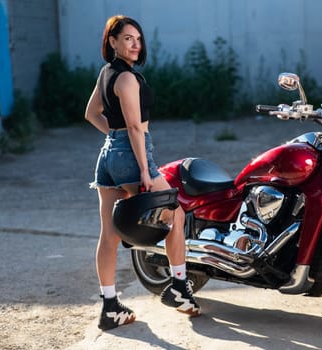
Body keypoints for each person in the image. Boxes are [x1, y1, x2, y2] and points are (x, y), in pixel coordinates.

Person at [85, 15, 200, 331]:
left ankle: (110, 307)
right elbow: (135, 127)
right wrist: (145, 173)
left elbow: (90, 113)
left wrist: (114, 136)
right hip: (131, 156)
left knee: (109, 233)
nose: (135, 44)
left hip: (108, 155)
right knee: (175, 215)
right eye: (127, 38)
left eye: (138, 38)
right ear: (112, 42)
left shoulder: (106, 74)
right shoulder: (127, 79)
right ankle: (178, 287)